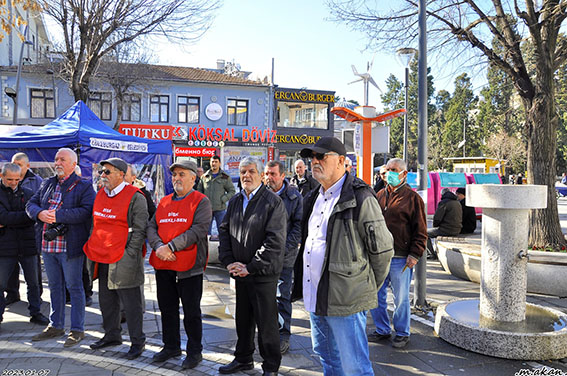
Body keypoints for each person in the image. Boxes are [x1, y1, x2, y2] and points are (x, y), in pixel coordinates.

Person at [292, 137, 394, 375]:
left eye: (321, 157)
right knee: (327, 357)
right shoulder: (313, 197)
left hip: (346, 301)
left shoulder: (360, 198)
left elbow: (383, 251)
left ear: (341, 161)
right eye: (312, 158)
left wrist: (359, 287)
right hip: (316, 295)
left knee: (354, 366)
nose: (314, 162)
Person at [218, 157, 286, 376]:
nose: (246, 175)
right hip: (240, 273)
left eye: (251, 171)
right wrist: (229, 262)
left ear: (261, 176)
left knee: (267, 324)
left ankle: (271, 367)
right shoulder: (236, 200)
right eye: (243, 171)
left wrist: (252, 266)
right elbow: (224, 231)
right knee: (243, 320)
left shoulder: (272, 202)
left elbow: (274, 241)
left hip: (263, 274)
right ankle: (244, 359)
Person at [26, 148, 95, 347]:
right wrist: (39, 213)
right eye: (56, 159)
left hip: (70, 246)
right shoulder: (48, 182)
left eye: (62, 160)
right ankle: (55, 325)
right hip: (48, 246)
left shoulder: (83, 186)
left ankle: (77, 329)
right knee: (54, 287)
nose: (57, 163)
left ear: (73, 164)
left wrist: (58, 216)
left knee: (74, 288)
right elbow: (31, 204)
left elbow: (85, 212)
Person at [147, 160, 212, 369]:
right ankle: (171, 346)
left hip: (189, 267)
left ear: (194, 178)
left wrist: (171, 247)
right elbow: (152, 226)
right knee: (167, 309)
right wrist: (158, 247)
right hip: (164, 265)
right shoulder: (164, 201)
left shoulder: (201, 201)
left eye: (182, 174)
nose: (177, 178)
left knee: (192, 312)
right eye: (174, 175)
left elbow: (198, 230)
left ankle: (194, 351)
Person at [83, 158, 148, 360]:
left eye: (107, 172)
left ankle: (138, 341)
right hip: (102, 255)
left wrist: (130, 254)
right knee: (106, 300)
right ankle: (112, 335)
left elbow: (139, 230)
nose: (103, 175)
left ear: (121, 173)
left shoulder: (136, 197)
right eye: (102, 172)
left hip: (123, 257)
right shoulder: (101, 194)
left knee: (131, 303)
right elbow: (96, 223)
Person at [369, 157, 427, 349]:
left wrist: (415, 254)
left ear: (403, 173)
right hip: (379, 256)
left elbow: (421, 230)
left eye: (394, 170)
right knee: (376, 296)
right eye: (388, 169)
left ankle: (402, 333)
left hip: (401, 257)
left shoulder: (413, 199)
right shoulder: (379, 195)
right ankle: (382, 329)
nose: (390, 173)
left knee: (401, 298)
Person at [0, 163, 49, 326]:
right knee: (1, 283)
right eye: (9, 179)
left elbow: (33, 215)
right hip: (5, 246)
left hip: (27, 245)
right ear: (2, 176)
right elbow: (4, 217)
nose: (14, 183)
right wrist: (24, 217)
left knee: (34, 282)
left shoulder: (28, 193)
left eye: (17, 179)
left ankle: (36, 312)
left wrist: (10, 219)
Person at [264, 161, 302, 355]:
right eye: (267, 174)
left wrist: (284, 248)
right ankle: (265, 333)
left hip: (285, 257)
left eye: (272, 174)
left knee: (282, 296)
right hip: (263, 256)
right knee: (264, 295)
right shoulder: (261, 195)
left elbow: (298, 226)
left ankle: (283, 335)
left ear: (282, 175)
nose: (269, 177)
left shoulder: (294, 197)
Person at [7, 152, 44, 305]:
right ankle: (12, 294)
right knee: (10, 268)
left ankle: (36, 300)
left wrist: (9, 218)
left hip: (30, 233)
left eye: (19, 164)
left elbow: (38, 208)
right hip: (8, 235)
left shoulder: (37, 181)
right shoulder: (5, 182)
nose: (16, 167)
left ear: (27, 166)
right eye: (14, 163)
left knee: (33, 271)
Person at [197, 155, 235, 241]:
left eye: (216, 162)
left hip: (220, 209)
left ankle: (223, 249)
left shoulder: (225, 177)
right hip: (207, 209)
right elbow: (199, 190)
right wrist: (202, 201)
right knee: (206, 232)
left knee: (223, 231)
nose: (214, 164)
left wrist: (223, 199)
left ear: (220, 163)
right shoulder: (204, 177)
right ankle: (206, 251)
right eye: (212, 162)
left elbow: (232, 191)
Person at [427, 187, 463, 257]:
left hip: (447, 230)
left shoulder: (444, 202)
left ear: (442, 194)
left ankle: (431, 254)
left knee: (424, 234)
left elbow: (437, 218)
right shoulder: (457, 202)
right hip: (458, 229)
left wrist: (435, 225)